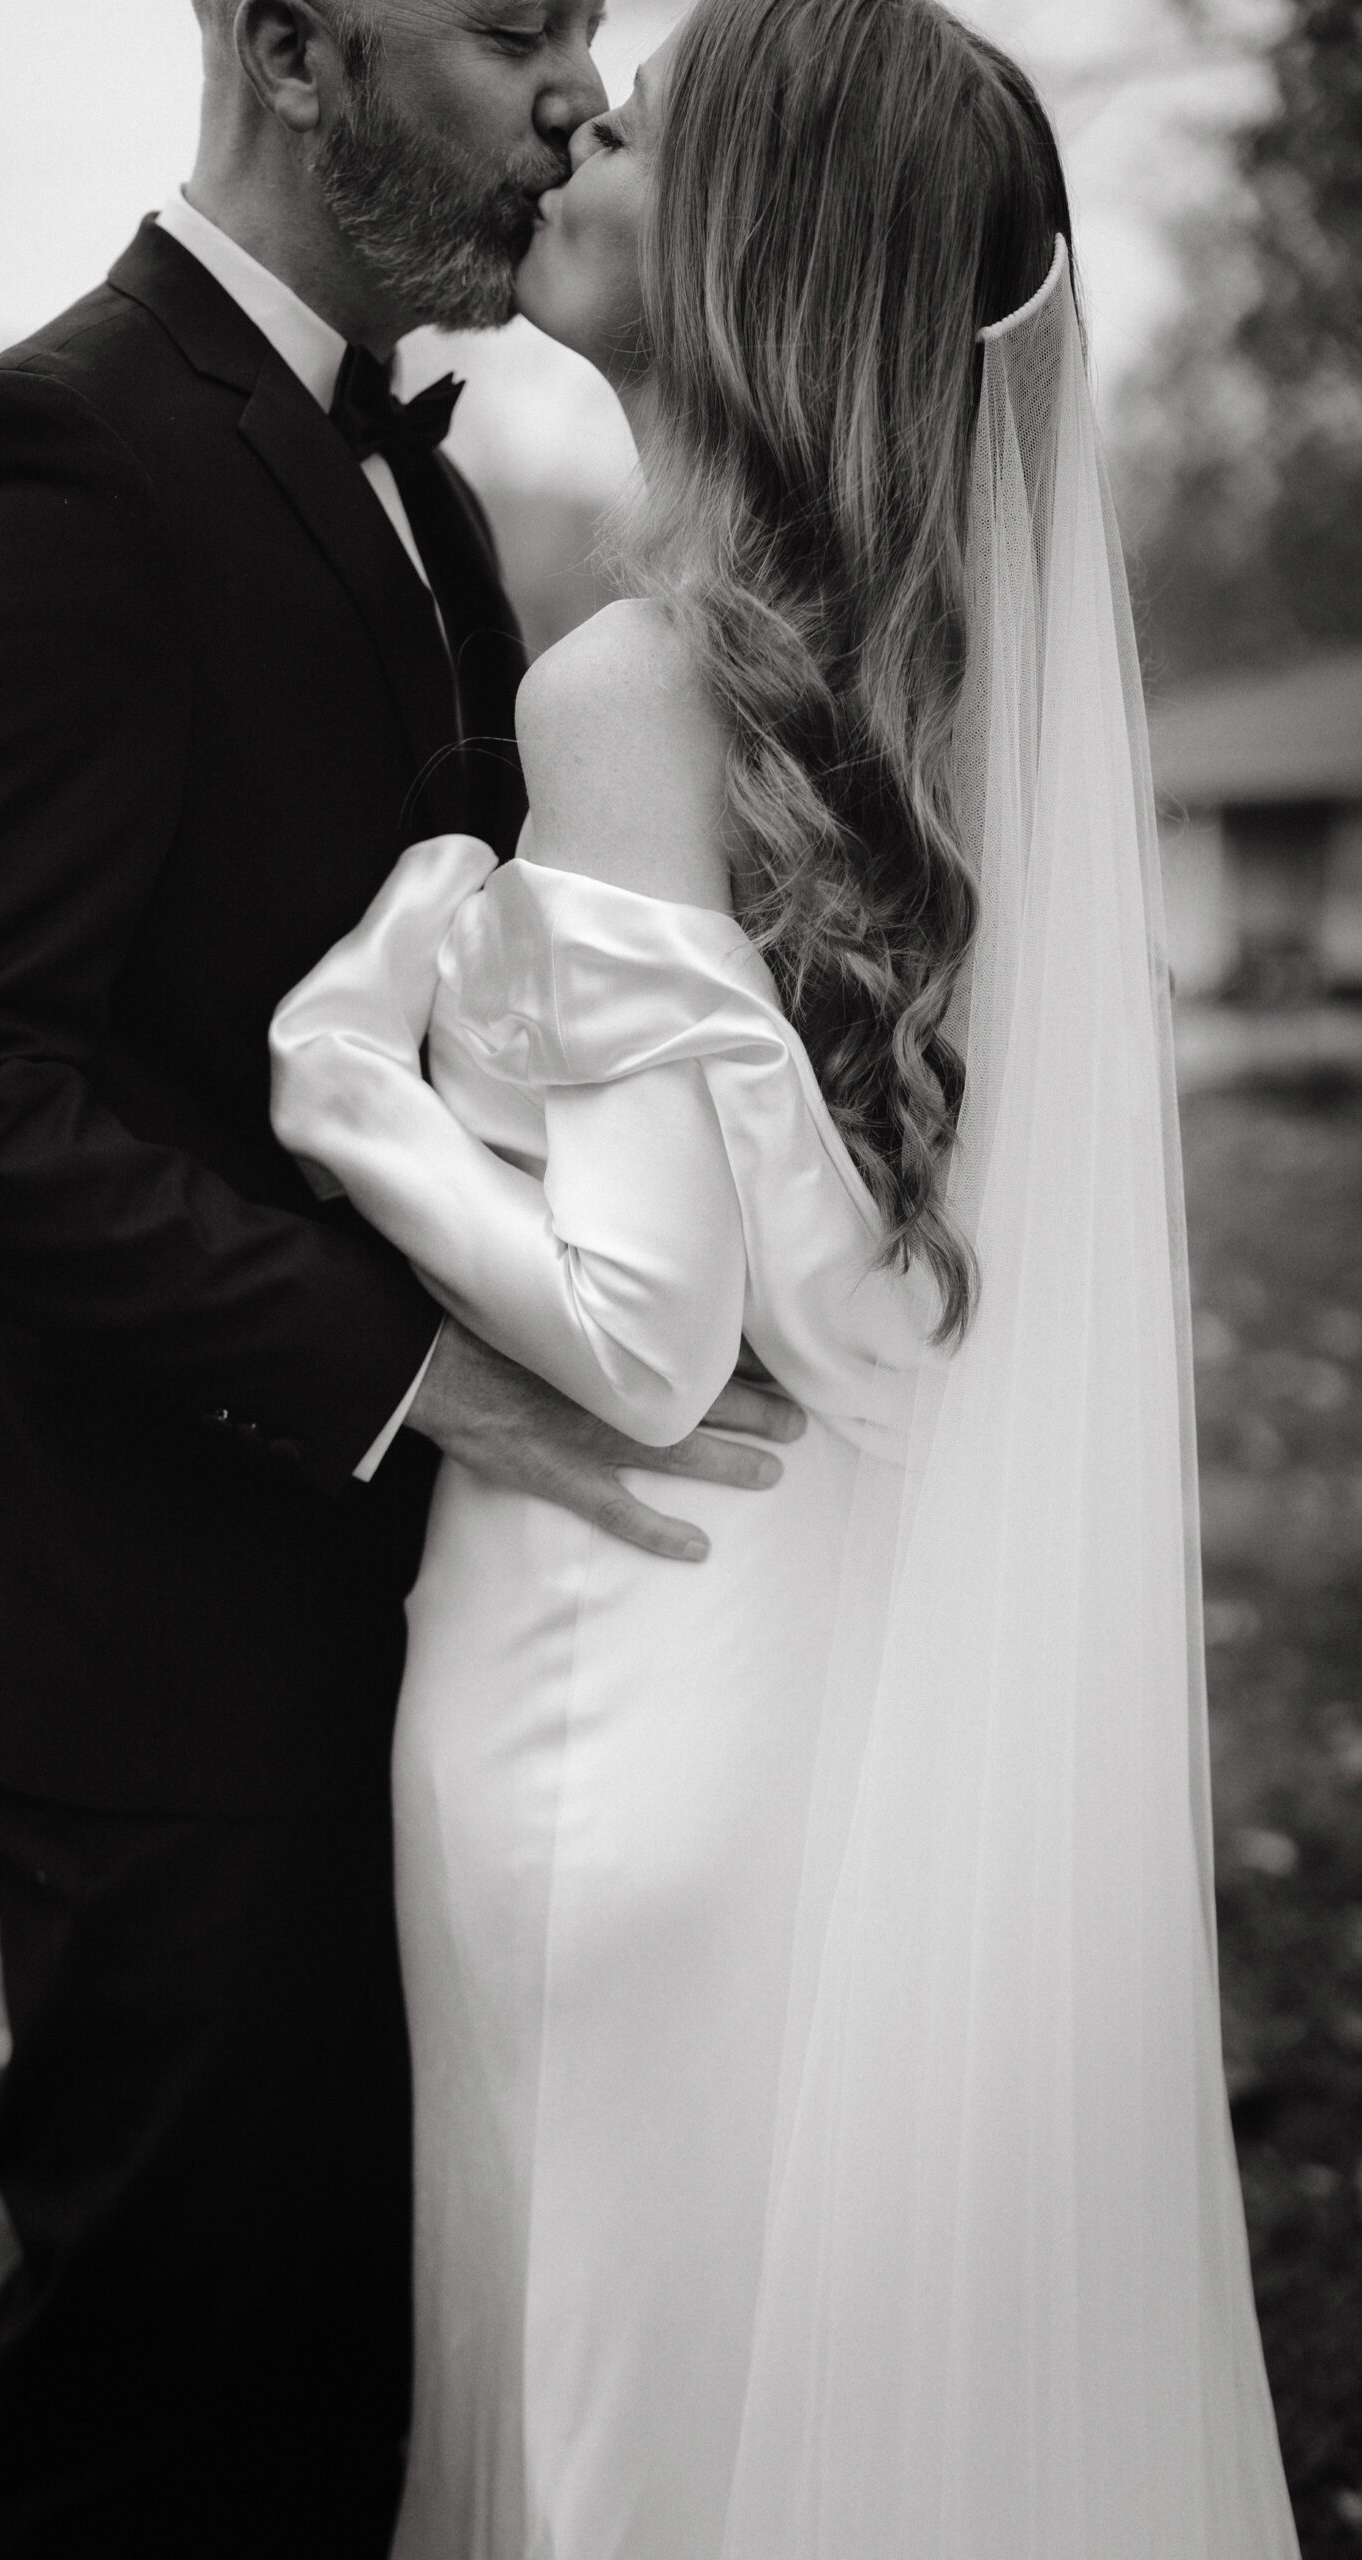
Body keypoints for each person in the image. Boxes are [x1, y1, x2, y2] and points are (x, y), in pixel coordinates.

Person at [269, 0, 1305, 2549]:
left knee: (587, 2442)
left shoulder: (633, 685)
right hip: (801, 1677)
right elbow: (868, 1308)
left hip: (599, 1688)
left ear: (752, 246)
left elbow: (630, 1326)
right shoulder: (936, 718)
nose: (590, 117)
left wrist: (350, 1076)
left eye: (659, 118)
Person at [0, 0, 801, 2549]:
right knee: (165, 2415)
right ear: (285, 40)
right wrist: (416, 1373)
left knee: (342, 2378)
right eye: (505, 29)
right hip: (141, 1648)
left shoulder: (431, 506)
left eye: (586, 39)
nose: (572, 97)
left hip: (361, 1621)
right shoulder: (54, 450)